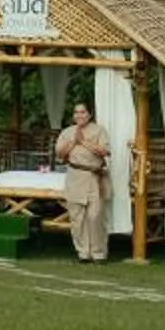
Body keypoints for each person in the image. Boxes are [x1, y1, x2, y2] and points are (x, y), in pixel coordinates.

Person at [55, 100, 111, 263]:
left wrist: (84, 142)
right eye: (76, 112)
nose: (79, 115)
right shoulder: (67, 132)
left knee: (95, 216)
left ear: (89, 114)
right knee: (77, 217)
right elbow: (60, 153)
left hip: (94, 177)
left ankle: (98, 252)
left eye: (83, 112)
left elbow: (104, 151)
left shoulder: (99, 131)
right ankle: (83, 252)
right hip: (75, 176)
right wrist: (73, 142)